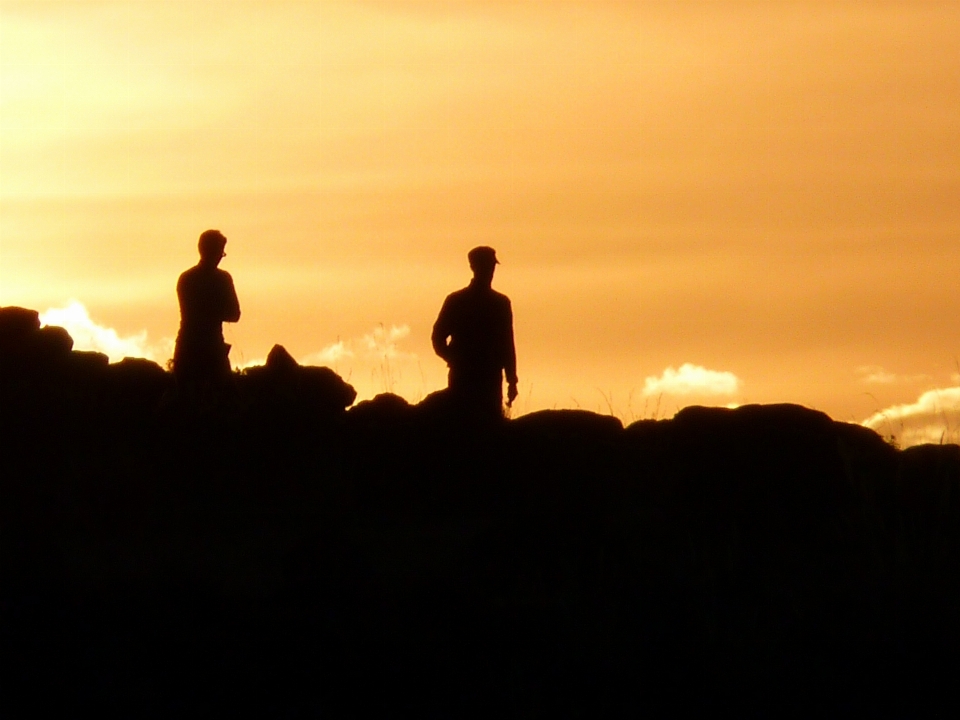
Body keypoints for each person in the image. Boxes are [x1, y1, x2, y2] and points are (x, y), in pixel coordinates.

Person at [432, 246, 518, 419]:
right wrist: (454, 359)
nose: (490, 271)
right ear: (473, 267)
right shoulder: (457, 301)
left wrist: (512, 380)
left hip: (490, 377)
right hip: (466, 376)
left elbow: (507, 344)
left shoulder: (500, 303)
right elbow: (438, 336)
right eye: (486, 266)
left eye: (491, 266)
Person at [173, 229, 241, 393]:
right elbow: (234, 313)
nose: (220, 257)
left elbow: (234, 314)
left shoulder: (186, 278)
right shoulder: (222, 279)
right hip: (210, 348)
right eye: (220, 251)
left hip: (189, 345)